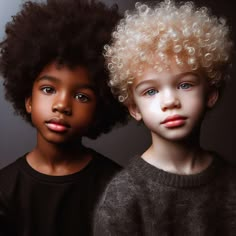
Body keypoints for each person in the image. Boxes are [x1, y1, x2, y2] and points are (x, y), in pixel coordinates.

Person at [94, 0, 236, 235]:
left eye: (185, 84)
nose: (170, 101)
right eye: (151, 91)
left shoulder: (231, 184)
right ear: (134, 108)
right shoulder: (124, 196)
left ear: (210, 94)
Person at [0, 0, 127, 235]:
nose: (62, 105)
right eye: (49, 90)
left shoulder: (118, 186)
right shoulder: (5, 189)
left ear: (100, 108)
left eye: (81, 96)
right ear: (28, 99)